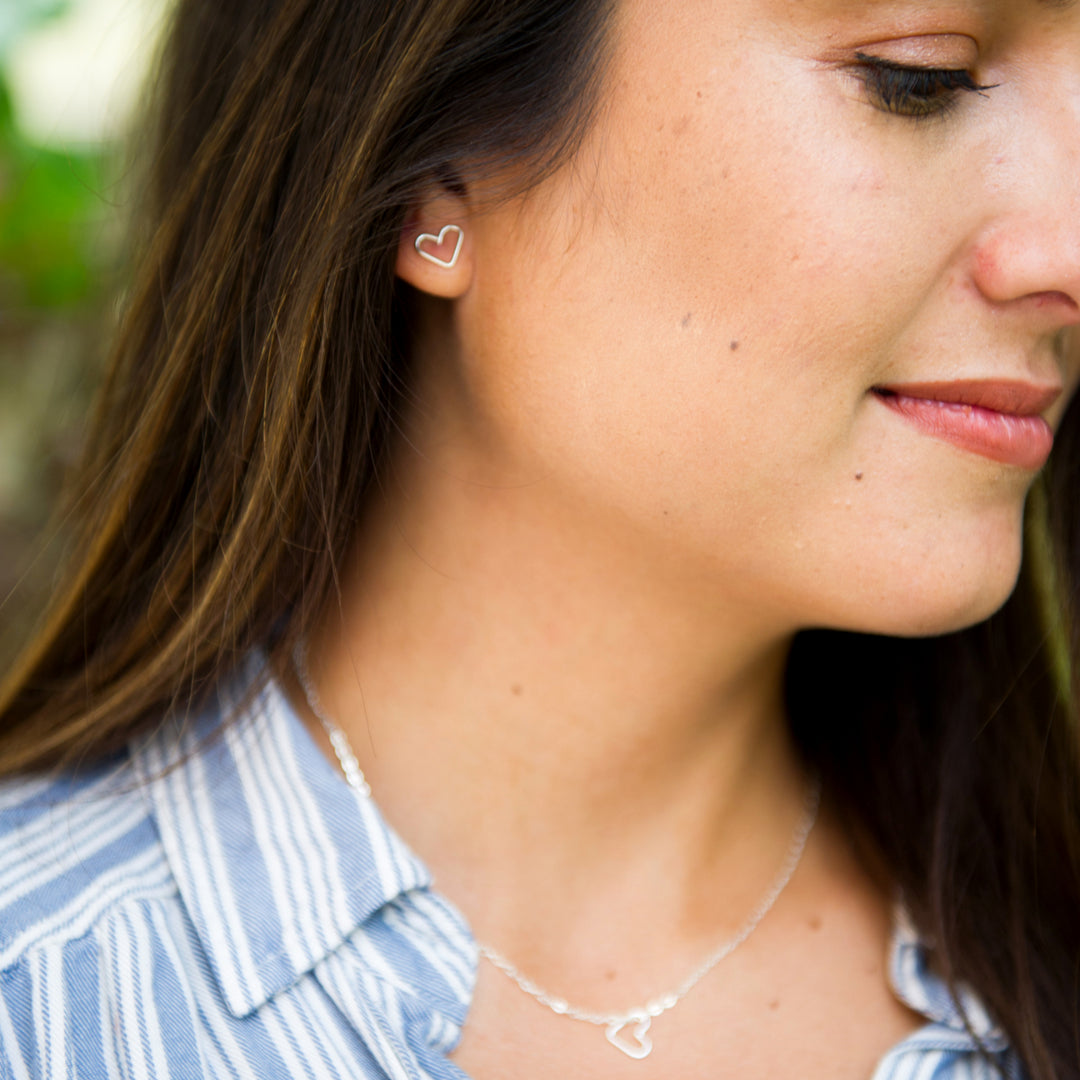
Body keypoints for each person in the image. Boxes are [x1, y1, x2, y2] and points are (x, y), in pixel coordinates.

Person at [1, 0, 1079, 1076]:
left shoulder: (1036, 981)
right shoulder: (41, 1001)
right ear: (445, 178)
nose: (1065, 255)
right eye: (917, 77)